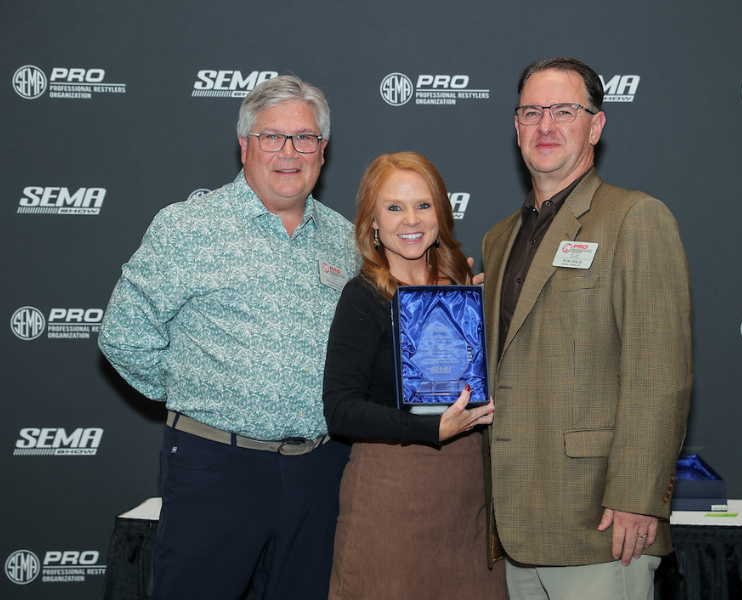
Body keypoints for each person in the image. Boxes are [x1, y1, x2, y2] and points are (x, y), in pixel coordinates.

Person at [98, 75, 357, 600]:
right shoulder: (188, 226)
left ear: (322, 151)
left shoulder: (346, 238)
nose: (289, 152)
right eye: (272, 137)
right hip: (216, 467)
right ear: (244, 146)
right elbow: (123, 335)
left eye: (304, 138)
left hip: (320, 471)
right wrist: (198, 393)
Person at [481, 58, 693, 599]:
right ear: (516, 126)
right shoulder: (499, 239)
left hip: (601, 523)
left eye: (564, 111)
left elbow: (660, 373)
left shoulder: (635, 218)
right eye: (531, 112)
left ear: (596, 126)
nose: (545, 126)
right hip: (516, 527)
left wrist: (639, 496)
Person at [323, 152, 506, 600]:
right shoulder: (362, 296)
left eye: (423, 205)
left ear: (442, 215)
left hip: (468, 495)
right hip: (391, 491)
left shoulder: (466, 287)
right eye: (394, 207)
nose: (411, 220)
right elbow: (341, 410)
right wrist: (429, 428)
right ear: (372, 222)